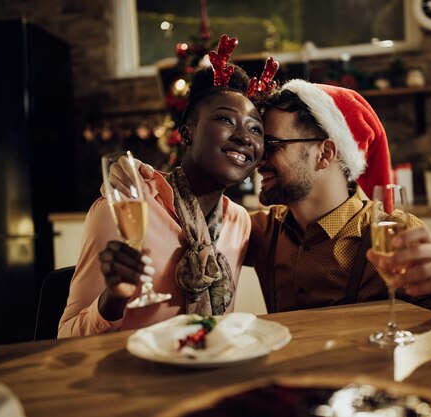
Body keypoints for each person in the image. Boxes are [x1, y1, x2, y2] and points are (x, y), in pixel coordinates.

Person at [114, 80, 431, 331]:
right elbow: (191, 208)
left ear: (325, 153)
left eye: (273, 145)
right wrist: (141, 178)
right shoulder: (262, 230)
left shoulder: (390, 232)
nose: (258, 156)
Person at [58, 35, 275, 338]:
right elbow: (66, 337)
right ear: (186, 134)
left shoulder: (239, 222)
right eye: (226, 119)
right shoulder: (124, 209)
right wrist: (114, 299)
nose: (245, 137)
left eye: (256, 129)